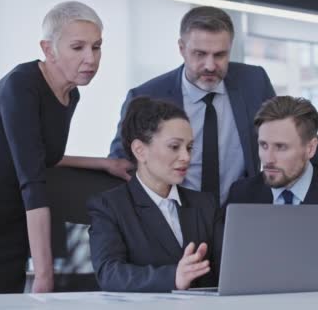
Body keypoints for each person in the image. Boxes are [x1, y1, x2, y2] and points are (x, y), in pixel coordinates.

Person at [0, 1, 132, 294]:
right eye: (78, 47)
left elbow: (40, 155)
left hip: (9, 220)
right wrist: (44, 275)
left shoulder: (70, 94)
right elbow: (32, 179)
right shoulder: (21, 87)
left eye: (96, 47)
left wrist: (103, 163)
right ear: (48, 49)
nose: (91, 58)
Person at [108, 6, 318, 205]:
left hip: (238, 213)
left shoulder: (252, 81)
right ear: (181, 48)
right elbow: (122, 165)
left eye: (220, 55)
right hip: (175, 216)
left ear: (231, 48)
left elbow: (294, 136)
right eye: (199, 54)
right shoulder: (147, 95)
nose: (210, 65)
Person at [227, 96, 318, 283]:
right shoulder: (242, 193)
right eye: (263, 145)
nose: (268, 159)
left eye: (281, 147)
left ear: (310, 148)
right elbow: (229, 265)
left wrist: (279, 269)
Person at [88, 97, 222, 292]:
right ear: (140, 151)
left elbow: (227, 268)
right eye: (174, 146)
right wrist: (173, 277)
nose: (186, 157)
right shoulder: (109, 206)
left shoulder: (205, 204)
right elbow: (110, 273)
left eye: (189, 147)